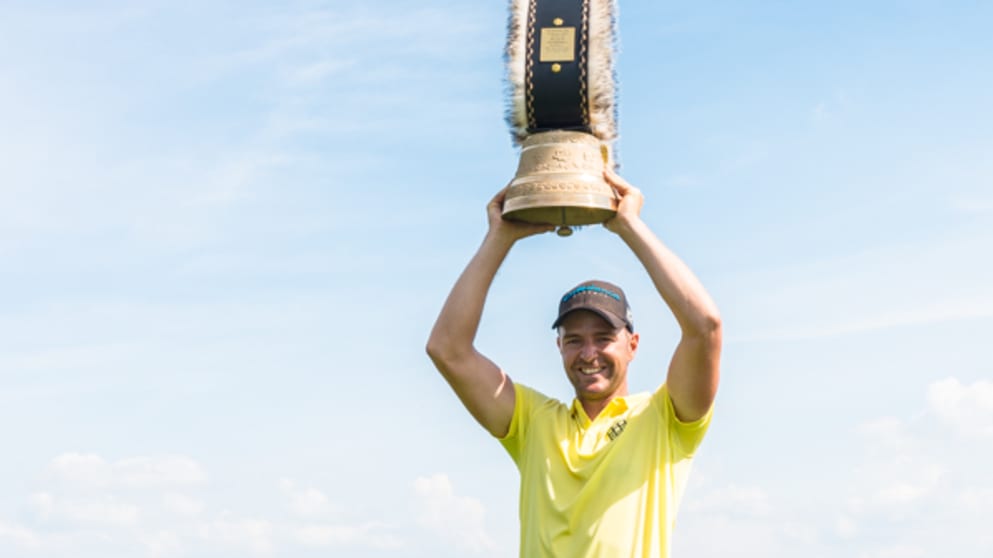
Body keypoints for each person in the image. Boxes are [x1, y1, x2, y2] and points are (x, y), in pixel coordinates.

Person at [426, 169, 722, 558]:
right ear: (559, 346)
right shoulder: (533, 422)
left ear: (632, 345)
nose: (588, 354)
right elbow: (447, 349)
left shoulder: (665, 419)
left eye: (603, 338)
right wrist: (500, 237)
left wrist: (629, 225)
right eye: (574, 341)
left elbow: (705, 327)